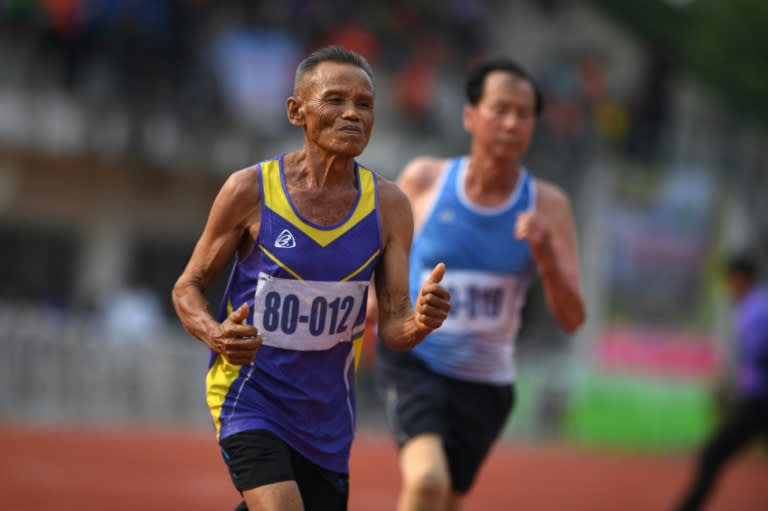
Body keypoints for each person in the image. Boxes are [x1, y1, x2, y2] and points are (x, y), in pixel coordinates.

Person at [171, 45, 451, 511]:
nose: (352, 115)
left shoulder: (389, 206)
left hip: (327, 419)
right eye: (336, 101)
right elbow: (188, 287)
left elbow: (397, 324)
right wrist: (217, 334)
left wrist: (422, 321)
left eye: (364, 105)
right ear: (296, 112)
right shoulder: (249, 190)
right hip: (249, 394)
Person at [374, 58, 586, 511]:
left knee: (447, 501)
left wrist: (546, 255)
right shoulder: (425, 180)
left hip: (485, 385)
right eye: (500, 109)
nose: (512, 122)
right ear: (470, 116)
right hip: (416, 360)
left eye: (524, 114)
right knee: (427, 482)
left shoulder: (548, 206)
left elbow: (572, 318)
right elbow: (377, 261)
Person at [675, 254, 768, 511]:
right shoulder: (751, 308)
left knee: (712, 454)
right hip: (754, 400)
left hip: (760, 402)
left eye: (730, 280)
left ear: (741, 278)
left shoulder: (757, 310)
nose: (728, 287)